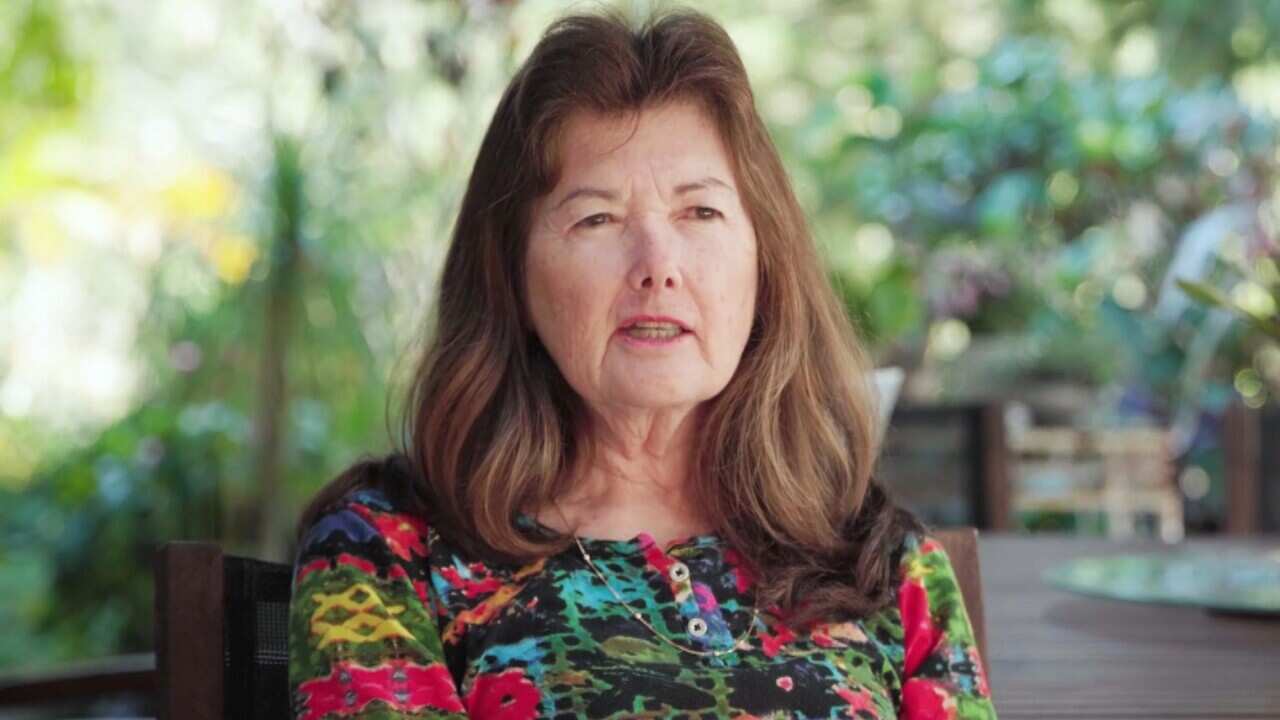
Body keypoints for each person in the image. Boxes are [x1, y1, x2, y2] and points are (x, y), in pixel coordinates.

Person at [288, 7, 996, 719]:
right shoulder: (388, 546)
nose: (659, 267)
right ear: (512, 273)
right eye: (597, 219)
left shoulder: (876, 558)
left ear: (764, 258)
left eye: (701, 214)